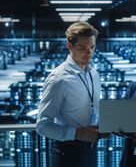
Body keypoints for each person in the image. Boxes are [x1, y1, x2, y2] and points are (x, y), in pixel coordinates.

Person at [36, 22, 101, 167]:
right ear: (69, 46)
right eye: (83, 48)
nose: (89, 53)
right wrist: (78, 133)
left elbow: (94, 109)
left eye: (92, 47)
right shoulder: (58, 79)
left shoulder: (94, 74)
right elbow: (42, 126)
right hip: (68, 153)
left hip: (91, 149)